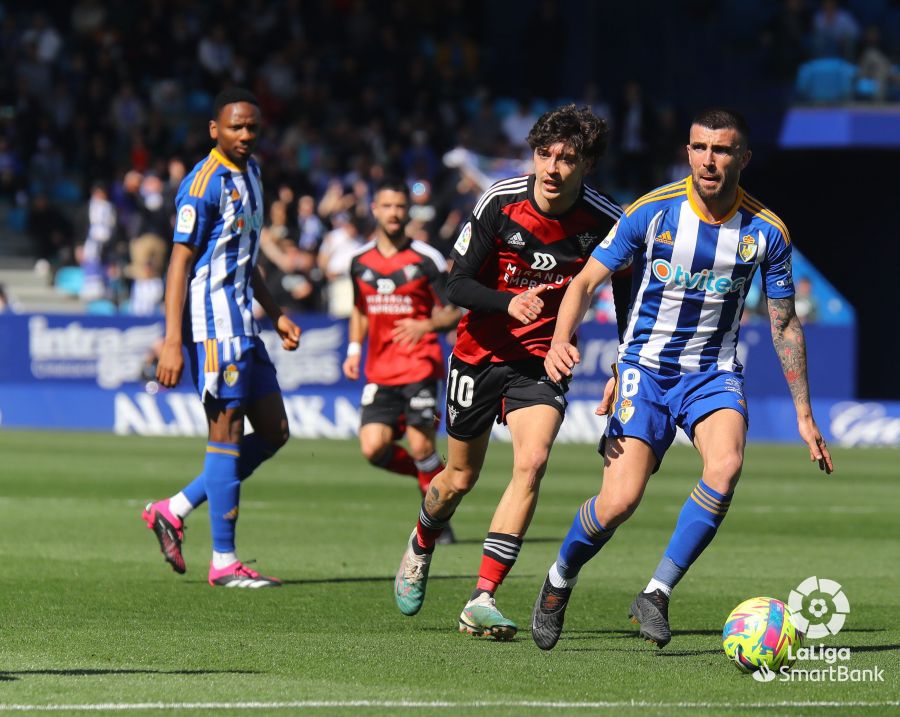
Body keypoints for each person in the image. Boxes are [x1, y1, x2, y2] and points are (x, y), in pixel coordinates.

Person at [531, 108, 834, 651]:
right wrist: (560, 341)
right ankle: (559, 578)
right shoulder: (652, 212)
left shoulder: (767, 231)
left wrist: (805, 417)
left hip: (712, 374)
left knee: (727, 464)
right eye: (699, 148)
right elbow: (584, 283)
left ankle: (656, 593)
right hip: (644, 371)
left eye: (721, 150)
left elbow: (785, 324)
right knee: (619, 501)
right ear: (687, 152)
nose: (708, 160)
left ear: (743, 157)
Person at [392, 104, 622, 640]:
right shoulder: (500, 201)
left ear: (587, 165)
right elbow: (456, 285)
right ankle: (423, 539)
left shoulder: (607, 221)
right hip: (478, 354)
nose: (552, 167)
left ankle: (482, 597)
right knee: (457, 479)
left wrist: (622, 361)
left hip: (542, 362)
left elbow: (630, 297)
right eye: (545, 154)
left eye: (567, 159)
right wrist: (506, 302)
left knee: (532, 463)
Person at [142, 88, 302, 588]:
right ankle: (224, 562)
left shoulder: (252, 175)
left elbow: (244, 255)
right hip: (211, 329)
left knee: (274, 431)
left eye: (253, 127)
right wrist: (172, 339)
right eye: (236, 127)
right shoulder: (202, 184)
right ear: (216, 129)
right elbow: (179, 263)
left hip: (246, 327)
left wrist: (274, 313)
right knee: (227, 434)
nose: (246, 135)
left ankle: (175, 507)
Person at [343, 179, 462, 541]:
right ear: (374, 210)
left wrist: (425, 323)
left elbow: (454, 311)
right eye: (388, 206)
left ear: (407, 211)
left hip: (420, 365)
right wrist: (353, 349)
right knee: (373, 447)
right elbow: (359, 308)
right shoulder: (359, 262)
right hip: (379, 370)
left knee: (422, 443)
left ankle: (435, 523)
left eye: (400, 207)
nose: (394, 213)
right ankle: (430, 478)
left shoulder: (426, 259)